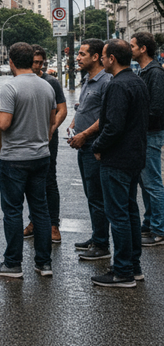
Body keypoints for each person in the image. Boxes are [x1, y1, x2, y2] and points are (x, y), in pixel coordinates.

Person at [0, 42, 56, 278]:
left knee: (13, 211)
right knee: (41, 211)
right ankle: (44, 263)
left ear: (11, 62)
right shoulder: (47, 86)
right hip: (41, 157)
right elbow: (51, 122)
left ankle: (12, 264)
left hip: (14, 158)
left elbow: (4, 123)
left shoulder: (11, 87)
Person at [90, 39, 149, 288]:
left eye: (104, 56)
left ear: (112, 58)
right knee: (130, 211)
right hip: (135, 157)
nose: (102, 60)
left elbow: (113, 126)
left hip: (117, 159)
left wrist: (97, 146)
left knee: (118, 215)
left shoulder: (117, 85)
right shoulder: (137, 81)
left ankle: (123, 271)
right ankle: (133, 266)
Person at [68, 39, 112, 261]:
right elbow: (84, 108)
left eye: (82, 54)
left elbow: (106, 117)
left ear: (96, 57)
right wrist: (74, 124)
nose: (78, 57)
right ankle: (97, 237)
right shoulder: (87, 79)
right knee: (91, 194)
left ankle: (102, 245)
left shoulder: (106, 81)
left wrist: (85, 134)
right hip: (83, 145)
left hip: (95, 146)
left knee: (97, 197)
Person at [23, 45, 67, 243]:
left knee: (49, 180)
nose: (38, 66)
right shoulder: (21, 81)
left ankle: (53, 225)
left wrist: (51, 129)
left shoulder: (51, 82)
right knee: (30, 182)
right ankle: (34, 221)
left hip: (48, 139)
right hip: (27, 139)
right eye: (35, 62)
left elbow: (62, 110)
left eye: (41, 63)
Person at [130, 32, 164, 247]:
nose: (130, 49)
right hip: (145, 133)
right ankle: (150, 222)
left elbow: (156, 108)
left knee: (152, 182)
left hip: (151, 132)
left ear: (143, 49)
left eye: (132, 46)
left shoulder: (155, 73)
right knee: (145, 182)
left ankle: (159, 230)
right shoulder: (144, 71)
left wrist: (135, 121)